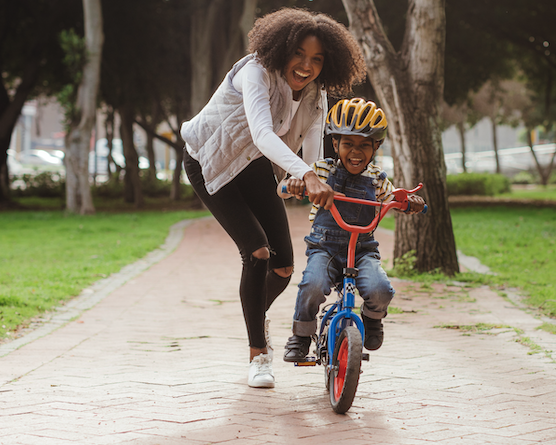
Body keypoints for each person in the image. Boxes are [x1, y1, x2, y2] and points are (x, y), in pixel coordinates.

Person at [179, 8, 366, 389]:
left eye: (317, 59)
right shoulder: (255, 72)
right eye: (299, 53)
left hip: (252, 168)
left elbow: (313, 150)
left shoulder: (316, 95)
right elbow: (262, 133)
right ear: (282, 48)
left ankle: (254, 315)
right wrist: (306, 174)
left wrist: (311, 177)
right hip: (209, 161)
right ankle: (258, 354)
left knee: (282, 268)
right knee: (258, 252)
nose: (306, 66)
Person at [279, 98, 426, 363]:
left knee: (381, 289)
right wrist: (293, 185)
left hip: (362, 250)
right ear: (335, 144)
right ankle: (301, 335)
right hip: (325, 248)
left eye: (364, 145)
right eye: (348, 144)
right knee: (312, 286)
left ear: (376, 147)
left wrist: (410, 202)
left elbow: (395, 196)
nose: (355, 152)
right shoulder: (321, 171)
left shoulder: (378, 179)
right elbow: (281, 189)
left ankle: (372, 318)